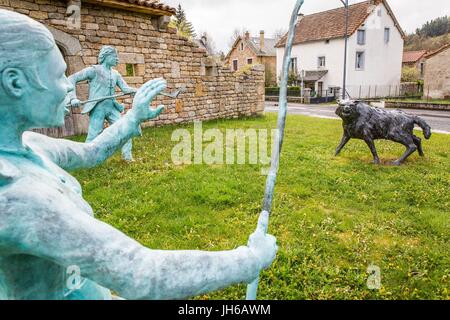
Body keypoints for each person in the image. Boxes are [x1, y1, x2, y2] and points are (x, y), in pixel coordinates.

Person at [0, 10, 278, 300]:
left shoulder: (29, 145)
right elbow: (142, 273)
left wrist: (133, 118)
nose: (69, 86)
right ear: (15, 82)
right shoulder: (15, 199)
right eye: (59, 76)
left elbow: (90, 151)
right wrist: (250, 260)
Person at [68, 46, 136, 162]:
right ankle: (85, 160)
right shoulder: (93, 70)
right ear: (106, 56)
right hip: (98, 108)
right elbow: (71, 78)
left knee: (125, 129)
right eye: (114, 56)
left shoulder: (115, 74)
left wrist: (139, 90)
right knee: (93, 136)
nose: (117, 59)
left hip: (112, 107)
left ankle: (127, 158)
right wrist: (73, 98)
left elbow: (125, 89)